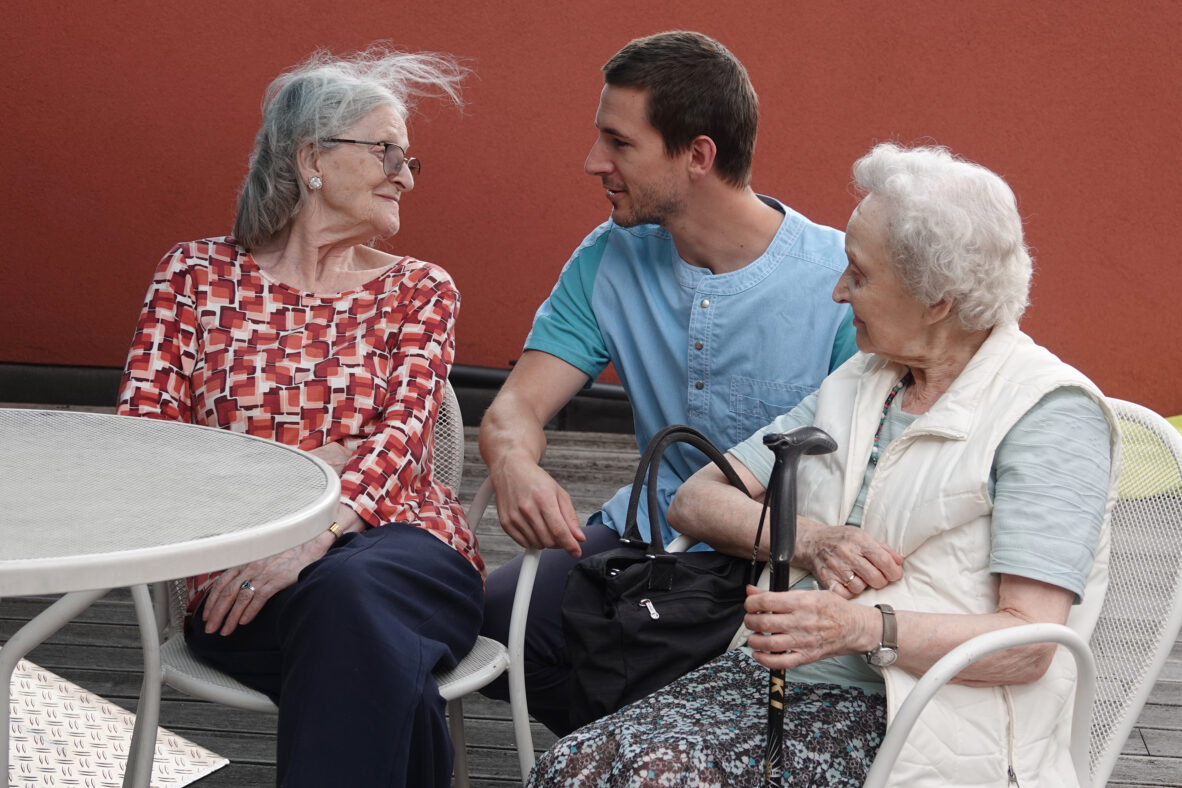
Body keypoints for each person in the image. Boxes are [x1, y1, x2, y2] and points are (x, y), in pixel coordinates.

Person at [527, 143, 1120, 787]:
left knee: (653, 775)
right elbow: (696, 499)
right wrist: (814, 540)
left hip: (921, 719)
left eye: (859, 274)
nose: (839, 292)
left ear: (937, 299)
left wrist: (860, 627)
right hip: (775, 681)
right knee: (573, 765)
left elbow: (1029, 644)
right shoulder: (869, 378)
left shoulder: (1050, 414)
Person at [116, 46, 481, 787]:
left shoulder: (419, 290)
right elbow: (142, 443)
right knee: (364, 639)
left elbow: (404, 437)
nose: (405, 174)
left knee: (353, 594)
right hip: (240, 582)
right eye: (386, 151)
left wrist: (314, 526)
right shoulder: (194, 278)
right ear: (311, 157)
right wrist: (318, 467)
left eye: (410, 160)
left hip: (408, 552)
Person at [477, 30, 857, 735]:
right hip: (643, 546)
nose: (594, 162)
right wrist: (514, 463)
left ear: (698, 157)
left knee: (669, 677)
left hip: (778, 568)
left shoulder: (840, 280)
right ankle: (627, 749)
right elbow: (516, 407)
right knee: (487, 626)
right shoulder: (609, 256)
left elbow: (866, 481)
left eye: (619, 143)